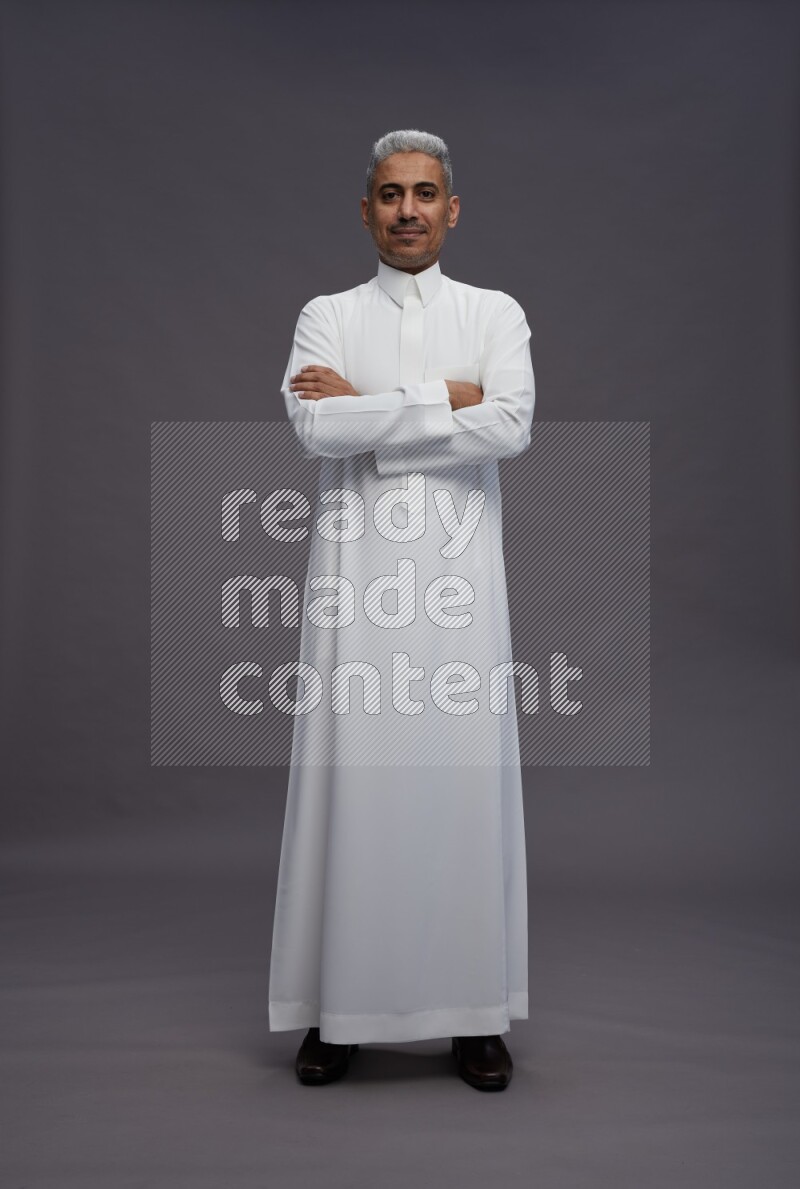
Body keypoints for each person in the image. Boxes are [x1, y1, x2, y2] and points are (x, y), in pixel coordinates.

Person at [267, 129, 535, 1091]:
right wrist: (444, 401)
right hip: (357, 588)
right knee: (355, 788)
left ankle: (473, 1016)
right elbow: (311, 422)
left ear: (452, 209)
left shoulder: (494, 310)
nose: (409, 209)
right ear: (368, 209)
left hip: (461, 596)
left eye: (426, 193)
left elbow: (509, 423)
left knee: (461, 792)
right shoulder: (326, 314)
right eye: (391, 194)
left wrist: (377, 406)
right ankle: (337, 1015)